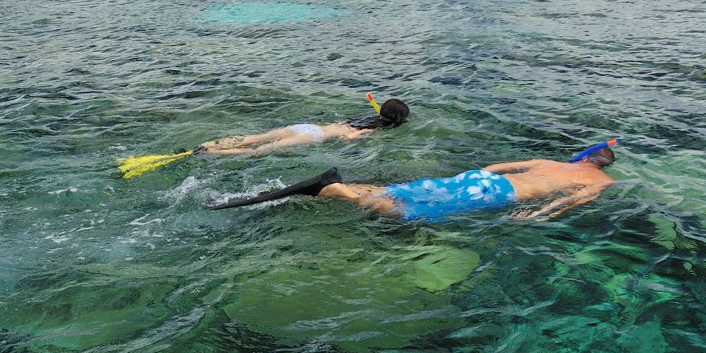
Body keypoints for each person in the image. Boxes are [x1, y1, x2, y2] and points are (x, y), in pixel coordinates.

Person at [206, 142, 618, 221]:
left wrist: (474, 175)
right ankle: (337, 191)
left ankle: (347, 187)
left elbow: (502, 164)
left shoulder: (549, 160)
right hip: (500, 195)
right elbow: (570, 203)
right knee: (406, 211)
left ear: (583, 156)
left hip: (477, 178)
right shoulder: (603, 184)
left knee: (413, 192)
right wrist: (539, 216)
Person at [197, 97, 410, 157]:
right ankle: (210, 153)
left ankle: (208, 144)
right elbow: (348, 139)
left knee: (255, 138)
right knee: (258, 152)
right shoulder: (375, 128)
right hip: (312, 137)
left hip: (307, 126)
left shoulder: (365, 117)